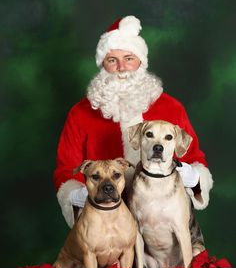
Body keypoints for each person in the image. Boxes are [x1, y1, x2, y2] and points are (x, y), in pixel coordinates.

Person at [54, 15, 213, 228]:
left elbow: (194, 158)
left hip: (162, 219)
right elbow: (67, 169)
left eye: (129, 58)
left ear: (141, 62)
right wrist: (81, 197)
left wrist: (192, 178)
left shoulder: (171, 107)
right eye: (112, 60)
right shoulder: (80, 113)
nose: (122, 67)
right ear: (103, 64)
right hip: (105, 221)